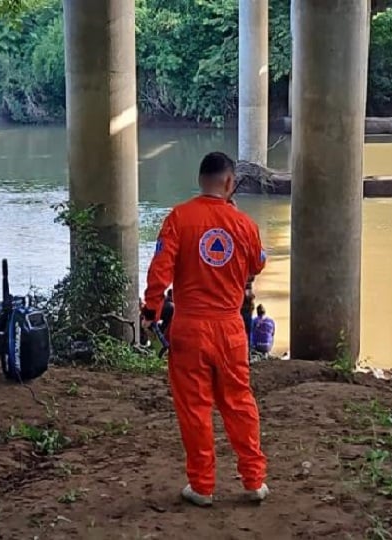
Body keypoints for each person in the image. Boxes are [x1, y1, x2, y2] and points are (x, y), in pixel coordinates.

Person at [141, 151, 269, 507]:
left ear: (201, 180)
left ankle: (202, 487)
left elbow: (159, 272)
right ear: (229, 183)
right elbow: (257, 263)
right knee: (239, 402)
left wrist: (151, 312)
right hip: (230, 328)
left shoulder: (179, 218)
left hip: (190, 328)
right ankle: (254, 481)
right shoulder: (245, 225)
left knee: (195, 408)